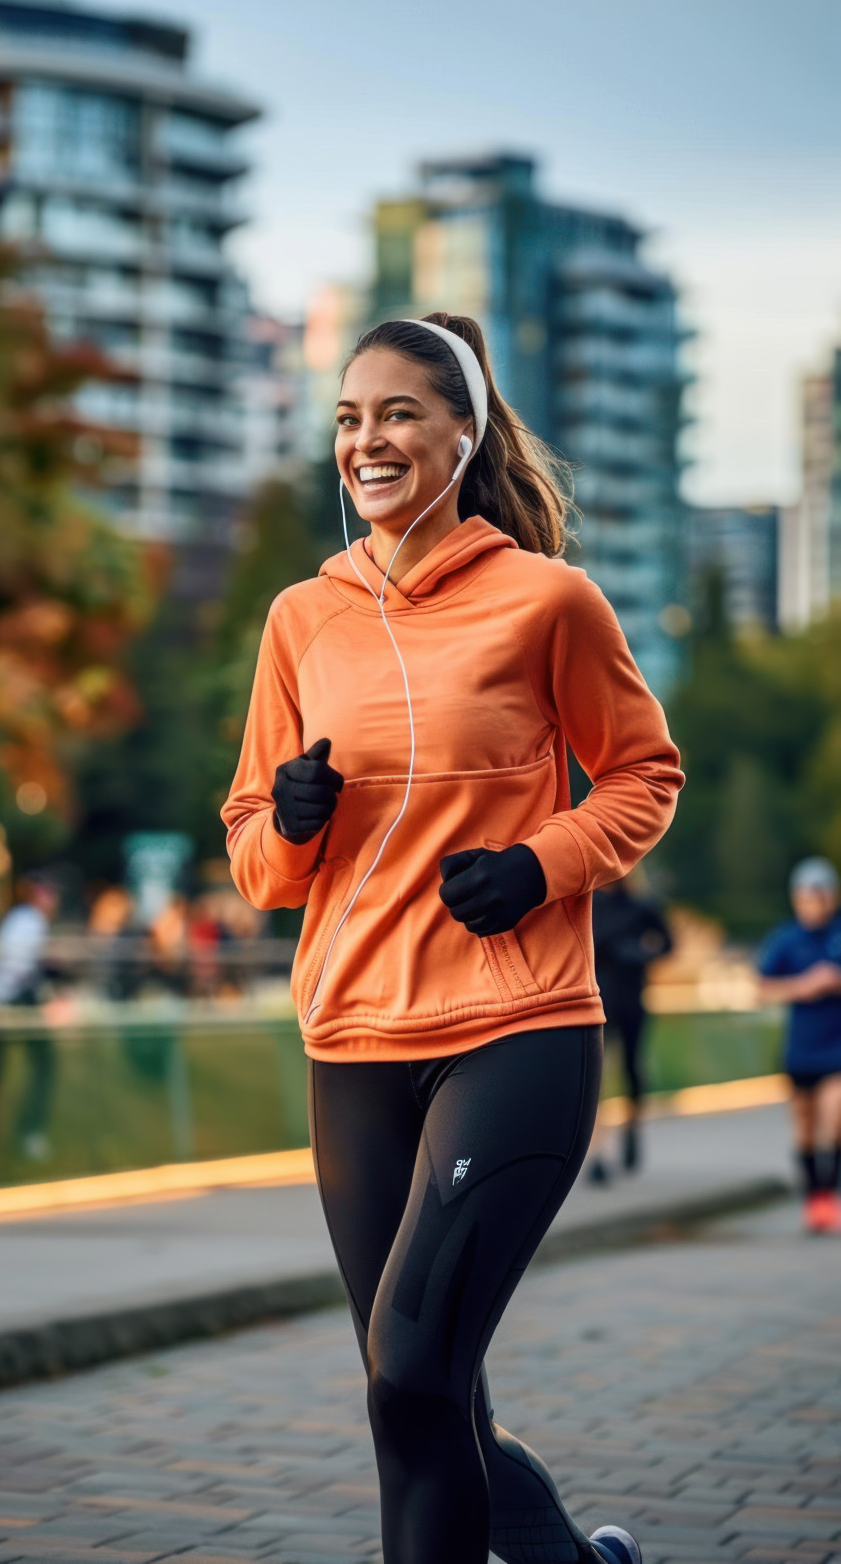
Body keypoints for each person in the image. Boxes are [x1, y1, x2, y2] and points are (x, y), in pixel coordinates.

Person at [223, 313, 683, 1564]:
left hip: (518, 1028)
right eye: (348, 418)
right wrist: (296, 822)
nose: (367, 439)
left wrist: (543, 864)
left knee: (412, 1367)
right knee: (426, 1392)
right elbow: (255, 858)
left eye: (398, 413)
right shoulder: (298, 619)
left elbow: (644, 775)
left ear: (462, 433)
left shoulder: (547, 600)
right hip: (354, 1039)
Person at [757, 856, 841, 1234]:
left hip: (836, 1048)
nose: (813, 905)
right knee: (804, 1127)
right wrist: (803, 986)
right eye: (807, 897)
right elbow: (761, 988)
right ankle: (814, 1199)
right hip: (800, 1049)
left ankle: (829, 1192)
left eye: (820, 897)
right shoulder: (785, 939)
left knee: (834, 1119)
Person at [588, 877, 672, 1180]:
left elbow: (668, 944)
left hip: (632, 1001)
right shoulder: (589, 904)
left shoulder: (640, 907)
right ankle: (598, 1152)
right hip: (597, 1003)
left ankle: (632, 1130)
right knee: (595, 1077)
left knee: (631, 1070)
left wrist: (637, 953)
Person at [0, 872, 60, 1161]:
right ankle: (27, 1132)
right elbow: (19, 967)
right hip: (15, 1001)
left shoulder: (20, 919)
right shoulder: (31, 922)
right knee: (43, 1067)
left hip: (5, 1000)